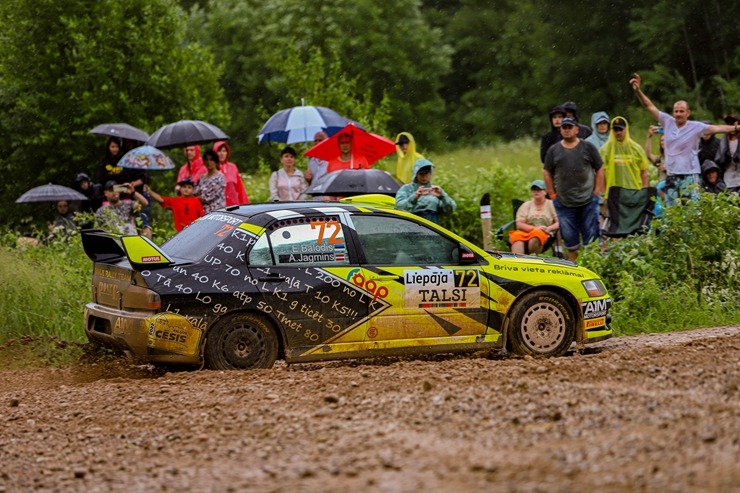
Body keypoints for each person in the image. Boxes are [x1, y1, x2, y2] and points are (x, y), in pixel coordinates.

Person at [629, 72, 739, 206]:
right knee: (672, 211)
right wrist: (638, 91)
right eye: (676, 111)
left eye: (681, 111)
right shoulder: (667, 121)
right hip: (672, 175)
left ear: (688, 113)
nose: (678, 114)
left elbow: (717, 128)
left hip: (689, 176)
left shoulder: (696, 127)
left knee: (692, 211)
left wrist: (736, 128)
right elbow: (649, 106)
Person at [543, 116, 604, 262]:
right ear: (560, 130)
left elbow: (600, 168)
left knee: (592, 240)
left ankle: (593, 268)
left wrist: (597, 191)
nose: (567, 130)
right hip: (564, 203)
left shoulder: (588, 147)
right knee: (570, 242)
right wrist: (552, 194)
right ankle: (574, 270)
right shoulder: (554, 150)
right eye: (564, 127)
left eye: (570, 127)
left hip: (588, 200)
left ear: (577, 129)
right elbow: (547, 172)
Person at [599, 117, 649, 197]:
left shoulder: (636, 149)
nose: (618, 133)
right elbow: (601, 173)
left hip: (633, 193)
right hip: (613, 195)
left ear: (626, 129)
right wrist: (603, 194)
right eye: (615, 130)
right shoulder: (605, 150)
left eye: (620, 129)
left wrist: (644, 191)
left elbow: (644, 171)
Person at [395, 159, 456, 224]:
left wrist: (443, 196)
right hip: (411, 224)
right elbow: (399, 207)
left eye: (426, 173)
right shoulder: (407, 188)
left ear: (430, 173)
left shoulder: (435, 190)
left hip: (432, 227)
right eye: (421, 173)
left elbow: (450, 210)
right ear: (416, 174)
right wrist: (414, 197)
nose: (424, 176)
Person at [508, 180, 559, 255]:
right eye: (534, 190)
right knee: (516, 237)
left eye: (539, 190)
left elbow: (559, 222)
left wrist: (548, 228)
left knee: (537, 235)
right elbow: (519, 224)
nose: (536, 192)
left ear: (545, 192)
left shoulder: (551, 205)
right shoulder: (526, 205)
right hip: (526, 232)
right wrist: (534, 228)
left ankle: (532, 259)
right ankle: (518, 261)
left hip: (544, 233)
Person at [213, 140, 250, 206]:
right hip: (218, 206)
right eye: (219, 151)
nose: (222, 153)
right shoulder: (211, 169)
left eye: (224, 151)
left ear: (227, 153)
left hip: (234, 205)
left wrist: (245, 205)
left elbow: (240, 188)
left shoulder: (233, 167)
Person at [714, 115, 740, 193]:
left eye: (732, 123)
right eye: (728, 123)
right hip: (729, 179)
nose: (730, 125)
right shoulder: (724, 141)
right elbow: (719, 159)